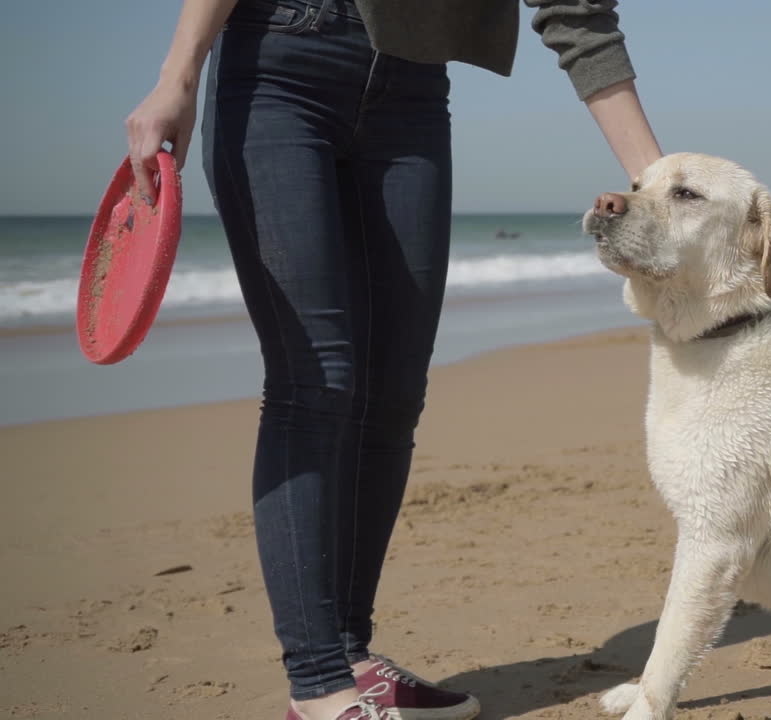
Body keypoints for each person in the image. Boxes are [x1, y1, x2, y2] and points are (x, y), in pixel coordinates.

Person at [124, 2, 661, 719]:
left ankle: (349, 652)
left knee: (394, 389)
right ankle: (317, 684)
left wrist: (659, 184)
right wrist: (178, 74)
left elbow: (577, 14)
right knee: (314, 379)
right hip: (277, 64)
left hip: (411, 86)